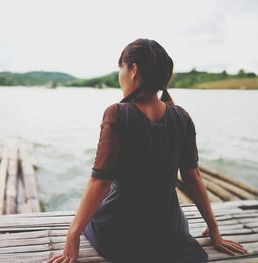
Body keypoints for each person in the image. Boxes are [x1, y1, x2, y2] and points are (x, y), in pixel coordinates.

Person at [47, 38, 247, 263]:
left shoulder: (116, 113)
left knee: (93, 215)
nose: (119, 75)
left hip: (120, 232)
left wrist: (73, 234)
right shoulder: (182, 116)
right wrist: (214, 229)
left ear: (133, 70)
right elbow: (193, 176)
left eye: (121, 67)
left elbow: (100, 182)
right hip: (170, 233)